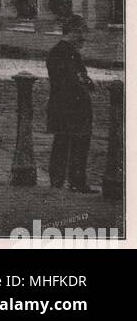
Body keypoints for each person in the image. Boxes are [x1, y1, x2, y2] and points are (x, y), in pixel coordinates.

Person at [45, 15, 97, 192]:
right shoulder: (61, 52)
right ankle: (68, 182)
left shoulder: (69, 52)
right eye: (81, 31)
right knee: (71, 144)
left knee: (66, 143)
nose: (83, 36)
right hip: (69, 107)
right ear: (74, 31)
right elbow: (71, 80)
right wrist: (84, 83)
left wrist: (86, 82)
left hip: (67, 107)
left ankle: (65, 181)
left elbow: (82, 77)